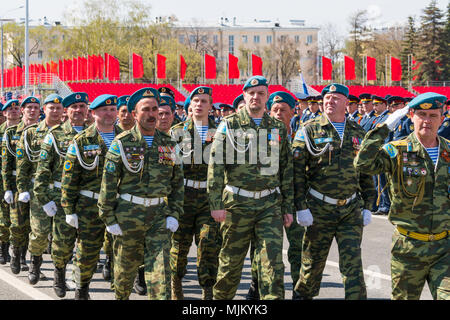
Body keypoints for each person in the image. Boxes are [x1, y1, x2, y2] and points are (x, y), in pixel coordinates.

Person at [354, 92, 449, 300]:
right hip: (408, 248)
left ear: (442, 118)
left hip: (445, 248)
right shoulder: (397, 150)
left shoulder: (449, 151)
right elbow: (363, 164)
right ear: (411, 115)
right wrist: (385, 126)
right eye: (422, 114)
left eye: (433, 115)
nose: (427, 121)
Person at [207, 76, 294, 300]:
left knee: (273, 265)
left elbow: (285, 169)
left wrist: (288, 207)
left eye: (261, 93)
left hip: (269, 205)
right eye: (251, 93)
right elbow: (215, 166)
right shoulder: (229, 124)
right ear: (244, 96)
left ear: (267, 97)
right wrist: (215, 205)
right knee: (230, 266)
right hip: (237, 205)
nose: (256, 97)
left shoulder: (277, 127)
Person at [98, 87, 184, 300]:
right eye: (146, 109)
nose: (152, 114)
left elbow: (177, 184)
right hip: (128, 217)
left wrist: (174, 213)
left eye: (155, 109)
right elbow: (107, 186)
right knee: (124, 277)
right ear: (135, 114)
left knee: (160, 279)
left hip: (158, 217)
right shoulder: (122, 143)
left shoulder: (168, 144)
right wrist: (109, 218)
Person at [292, 83, 375, 300]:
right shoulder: (309, 129)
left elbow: (366, 172)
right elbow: (297, 172)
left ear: (347, 103)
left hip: (350, 210)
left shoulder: (358, 131)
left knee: (353, 266)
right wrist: (301, 207)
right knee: (311, 266)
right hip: (319, 210)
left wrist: (369, 206)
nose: (330, 101)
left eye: (336, 98)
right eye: (327, 98)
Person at [60, 94, 123, 300]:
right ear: (93, 113)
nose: (109, 113)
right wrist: (69, 209)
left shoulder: (127, 137)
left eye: (113, 109)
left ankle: (120, 290)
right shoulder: (81, 140)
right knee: (87, 252)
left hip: (120, 205)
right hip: (90, 205)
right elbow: (69, 179)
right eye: (104, 110)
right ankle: (82, 289)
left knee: (121, 251)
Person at [247, 91, 303, 300]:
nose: (278, 114)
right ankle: (257, 284)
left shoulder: (303, 135)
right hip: (266, 201)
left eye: (283, 110)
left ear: (292, 113)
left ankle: (299, 290)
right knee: (262, 249)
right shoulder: (262, 136)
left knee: (298, 248)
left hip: (296, 203)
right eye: (275, 110)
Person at [34, 92, 89, 298]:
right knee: (63, 243)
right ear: (67, 110)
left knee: (86, 246)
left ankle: (79, 283)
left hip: (88, 199)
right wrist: (44, 199)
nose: (78, 110)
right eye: (74, 107)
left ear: (86, 110)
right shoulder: (55, 135)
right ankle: (59, 275)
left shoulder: (95, 133)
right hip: (61, 196)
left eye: (82, 106)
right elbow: (42, 170)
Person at [169, 86, 219, 300]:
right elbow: (168, 167)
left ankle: (208, 289)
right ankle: (176, 285)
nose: (199, 104)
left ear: (210, 106)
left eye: (204, 101)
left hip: (209, 198)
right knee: (179, 246)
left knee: (208, 244)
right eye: (195, 100)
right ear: (190, 105)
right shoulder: (176, 132)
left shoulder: (221, 132)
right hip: (183, 197)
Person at [17, 94, 64, 285]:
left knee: (62, 237)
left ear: (63, 111)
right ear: (44, 110)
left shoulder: (70, 133)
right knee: (39, 232)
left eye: (58, 108)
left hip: (63, 192)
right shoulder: (30, 133)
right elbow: (23, 163)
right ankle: (35, 264)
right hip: (40, 191)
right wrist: (22, 188)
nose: (54, 111)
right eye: (50, 107)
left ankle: (59, 275)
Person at [2, 96, 41, 275]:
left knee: (36, 226)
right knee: (18, 224)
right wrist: (7, 188)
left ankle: (27, 258)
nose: (32, 111)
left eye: (35, 107)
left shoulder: (45, 132)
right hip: (18, 186)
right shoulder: (11, 132)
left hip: (38, 186)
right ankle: (16, 253)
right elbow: (6, 163)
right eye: (29, 108)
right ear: (23, 110)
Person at [0, 100, 22, 265]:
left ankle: (18, 252)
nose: (14, 111)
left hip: (18, 179)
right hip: (1, 178)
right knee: (2, 216)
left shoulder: (26, 131)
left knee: (18, 218)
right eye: (10, 109)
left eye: (16, 108)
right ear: (4, 113)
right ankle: (3, 247)